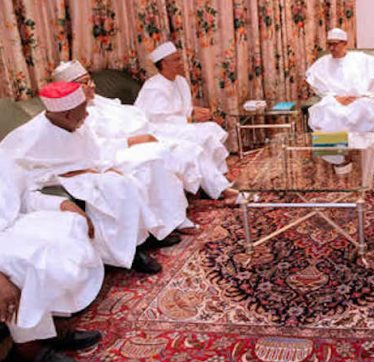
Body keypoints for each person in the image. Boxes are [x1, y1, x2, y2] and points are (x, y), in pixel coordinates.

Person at [0, 82, 164, 274]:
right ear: (67, 115)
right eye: (82, 111)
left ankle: (143, 237)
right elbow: (20, 176)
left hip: (86, 172)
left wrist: (103, 168)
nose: (86, 115)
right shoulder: (29, 136)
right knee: (116, 187)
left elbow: (94, 152)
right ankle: (130, 253)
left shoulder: (75, 122)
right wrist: (71, 174)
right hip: (59, 180)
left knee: (127, 179)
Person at [53, 60, 219, 209]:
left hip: (142, 134)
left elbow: (132, 116)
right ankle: (175, 215)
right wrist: (136, 140)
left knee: (188, 147)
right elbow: (98, 145)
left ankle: (217, 190)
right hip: (118, 151)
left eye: (90, 80)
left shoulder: (97, 100)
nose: (92, 85)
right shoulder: (73, 115)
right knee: (161, 155)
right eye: (84, 83)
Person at [0, 152, 104, 362]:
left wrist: (63, 204)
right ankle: (26, 351)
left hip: (8, 227)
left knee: (68, 228)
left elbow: (24, 197)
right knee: (23, 260)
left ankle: (49, 329)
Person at [134, 41, 234, 200]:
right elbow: (158, 118)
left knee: (212, 128)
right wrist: (190, 118)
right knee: (201, 137)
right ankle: (219, 187)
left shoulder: (180, 81)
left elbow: (180, 108)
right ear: (164, 64)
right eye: (176, 60)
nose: (181, 63)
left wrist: (194, 111)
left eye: (179, 58)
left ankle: (220, 174)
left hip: (177, 124)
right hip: (159, 129)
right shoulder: (154, 87)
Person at [305, 28, 374, 133]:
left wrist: (357, 97)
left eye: (335, 44)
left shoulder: (361, 60)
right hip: (334, 101)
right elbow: (319, 87)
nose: (331, 48)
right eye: (329, 44)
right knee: (328, 112)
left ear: (344, 43)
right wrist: (336, 98)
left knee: (364, 111)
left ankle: (358, 143)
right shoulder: (323, 63)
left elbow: (372, 86)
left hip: (358, 100)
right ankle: (334, 143)